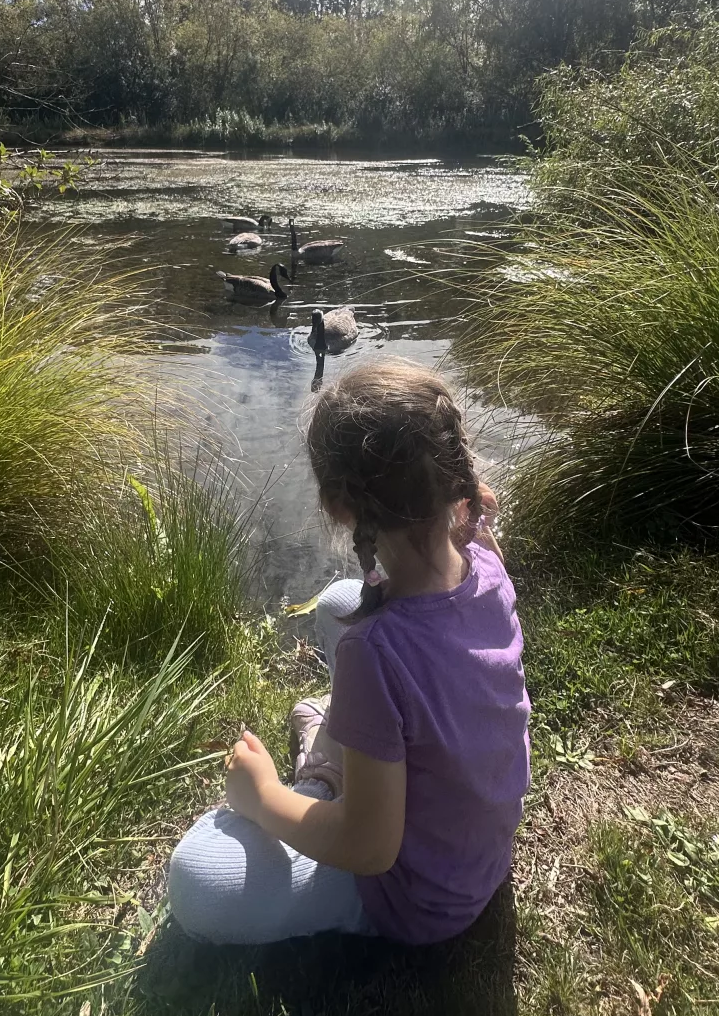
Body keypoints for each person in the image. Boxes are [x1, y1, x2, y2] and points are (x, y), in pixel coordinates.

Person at [167, 357, 531, 946]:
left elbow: (369, 848)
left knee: (198, 878)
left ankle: (322, 777)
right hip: (476, 854)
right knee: (344, 599)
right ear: (452, 469)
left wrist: (262, 799)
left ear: (340, 506)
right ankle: (344, 746)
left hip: (419, 899)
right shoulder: (483, 553)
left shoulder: (375, 653)